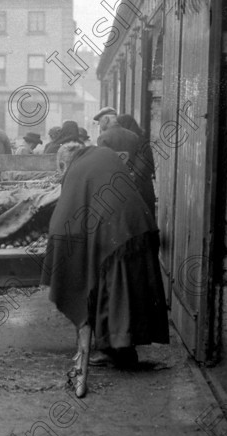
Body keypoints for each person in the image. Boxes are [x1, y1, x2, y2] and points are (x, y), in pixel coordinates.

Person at [41, 141, 169, 376]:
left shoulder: (76, 169)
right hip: (137, 227)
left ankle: (119, 354)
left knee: (114, 292)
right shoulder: (102, 154)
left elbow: (65, 217)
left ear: (63, 163)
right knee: (127, 292)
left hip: (118, 235)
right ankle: (119, 350)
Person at [117, 114, 157, 218]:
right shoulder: (139, 139)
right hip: (142, 186)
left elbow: (142, 166)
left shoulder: (137, 141)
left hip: (140, 187)